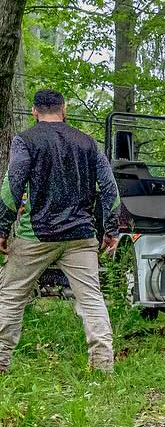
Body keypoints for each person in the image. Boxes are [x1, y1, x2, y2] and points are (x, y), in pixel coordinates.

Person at [0, 89, 120, 375]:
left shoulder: (25, 141)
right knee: (91, 298)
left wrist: (2, 228)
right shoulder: (89, 143)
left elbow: (12, 186)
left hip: (36, 234)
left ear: (34, 111)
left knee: (11, 295)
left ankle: (1, 363)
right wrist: (112, 229)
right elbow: (110, 191)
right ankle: (103, 365)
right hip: (81, 235)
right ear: (63, 109)